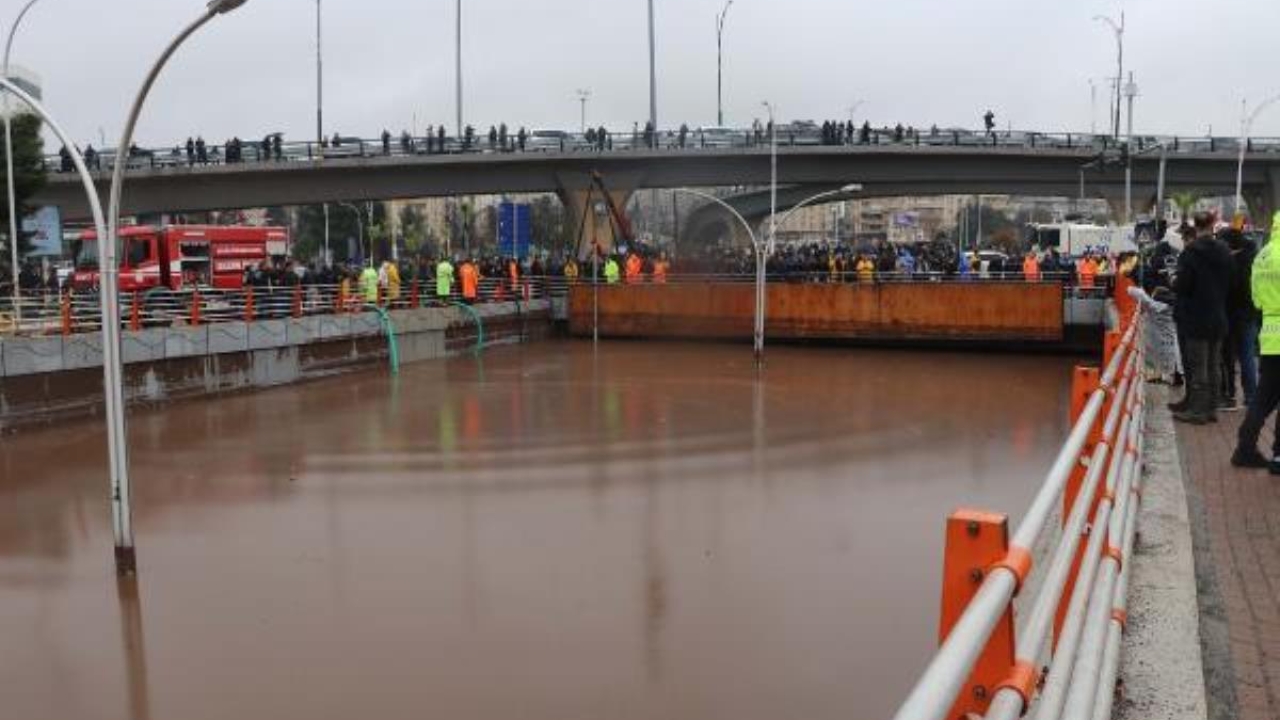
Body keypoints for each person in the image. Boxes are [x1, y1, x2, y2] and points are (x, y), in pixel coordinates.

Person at [1170, 212, 1234, 424]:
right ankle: (1212, 408)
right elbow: (1231, 282)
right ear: (1213, 225)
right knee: (1214, 365)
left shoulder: (1191, 252)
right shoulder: (1225, 251)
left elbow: (1184, 286)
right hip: (1218, 315)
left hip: (1196, 317)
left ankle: (1197, 411)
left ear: (1195, 227)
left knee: (1198, 366)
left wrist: (1173, 281)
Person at [1234, 213, 1280, 468]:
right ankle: (1278, 455)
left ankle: (1245, 447)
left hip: (1270, 331)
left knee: (1263, 397)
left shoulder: (1262, 255)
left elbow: (1256, 298)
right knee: (1265, 398)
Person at [1222, 228, 1259, 410]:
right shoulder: (1255, 258)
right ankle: (1251, 397)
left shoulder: (1233, 262)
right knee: (1248, 356)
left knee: (1229, 355)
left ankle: (1230, 395)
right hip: (1251, 312)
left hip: (1233, 313)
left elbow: (1230, 289)